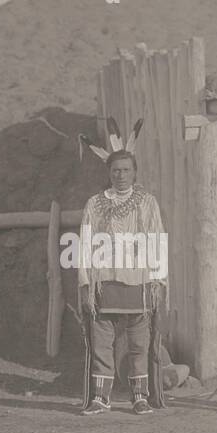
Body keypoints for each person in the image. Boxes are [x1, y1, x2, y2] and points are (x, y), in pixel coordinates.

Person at [76, 118, 167, 415]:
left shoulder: (147, 202)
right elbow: (86, 244)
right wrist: (86, 283)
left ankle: (139, 396)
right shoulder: (94, 203)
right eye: (116, 170)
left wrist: (158, 280)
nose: (121, 175)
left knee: (139, 343)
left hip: (138, 282)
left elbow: (156, 240)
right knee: (102, 342)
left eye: (127, 170)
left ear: (135, 172)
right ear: (108, 172)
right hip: (104, 283)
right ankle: (101, 398)